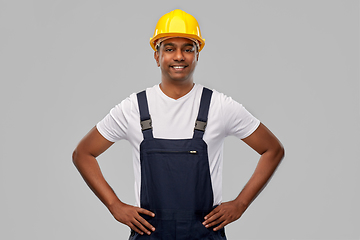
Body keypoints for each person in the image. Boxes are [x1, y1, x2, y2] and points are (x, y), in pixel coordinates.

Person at [72, 9, 284, 240]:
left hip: (205, 234)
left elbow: (272, 149)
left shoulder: (219, 106)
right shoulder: (133, 107)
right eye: (169, 48)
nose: (179, 56)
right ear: (157, 56)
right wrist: (114, 205)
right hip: (149, 233)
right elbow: (83, 153)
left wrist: (241, 204)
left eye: (188, 49)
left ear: (197, 55)